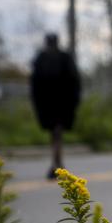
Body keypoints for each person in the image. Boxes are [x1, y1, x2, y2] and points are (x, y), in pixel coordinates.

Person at [29, 33, 81, 179]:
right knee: (57, 133)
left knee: (55, 134)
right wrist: (74, 102)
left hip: (49, 104)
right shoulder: (62, 58)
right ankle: (57, 164)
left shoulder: (42, 59)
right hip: (61, 104)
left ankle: (56, 164)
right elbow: (75, 82)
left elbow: (34, 85)